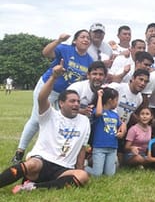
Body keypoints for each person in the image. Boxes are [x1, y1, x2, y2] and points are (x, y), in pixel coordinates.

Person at [12, 30, 94, 164]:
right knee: (37, 119)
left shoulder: (89, 60)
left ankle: (50, 153)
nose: (86, 39)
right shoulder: (65, 49)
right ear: (75, 41)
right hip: (48, 87)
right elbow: (46, 53)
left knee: (57, 122)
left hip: (64, 95)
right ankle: (19, 153)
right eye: (82, 37)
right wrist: (58, 40)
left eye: (88, 38)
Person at [7, 65, 90, 193]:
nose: (76, 104)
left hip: (64, 168)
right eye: (72, 101)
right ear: (61, 103)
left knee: (83, 176)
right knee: (32, 164)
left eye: (78, 102)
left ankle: (32, 188)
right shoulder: (50, 115)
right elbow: (41, 98)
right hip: (42, 162)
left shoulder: (84, 121)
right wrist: (53, 77)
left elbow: (82, 148)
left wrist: (80, 168)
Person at [86, 88, 126, 177]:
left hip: (112, 146)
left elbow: (122, 123)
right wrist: (100, 96)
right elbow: (99, 113)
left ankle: (111, 164)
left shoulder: (115, 114)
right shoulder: (96, 111)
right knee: (97, 174)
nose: (117, 103)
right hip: (100, 147)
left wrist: (122, 132)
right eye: (116, 100)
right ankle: (84, 167)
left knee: (109, 174)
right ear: (110, 100)